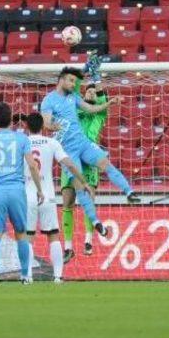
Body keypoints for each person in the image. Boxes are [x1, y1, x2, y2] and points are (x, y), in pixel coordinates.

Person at [40, 66, 141, 241]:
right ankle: (95, 222)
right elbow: (46, 123)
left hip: (84, 143)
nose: (73, 84)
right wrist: (53, 126)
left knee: (106, 164)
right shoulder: (48, 101)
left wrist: (109, 103)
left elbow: (90, 108)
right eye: (71, 80)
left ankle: (129, 192)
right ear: (61, 79)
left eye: (74, 81)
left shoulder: (74, 97)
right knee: (80, 188)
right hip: (66, 151)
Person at [0, 102, 43, 284]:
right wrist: (39, 189)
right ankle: (25, 275)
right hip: (17, 191)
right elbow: (32, 165)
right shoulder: (22, 139)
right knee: (21, 233)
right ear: (11, 118)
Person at [23, 112, 93, 283]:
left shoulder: (21, 143)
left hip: (27, 196)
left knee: (28, 237)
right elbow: (69, 163)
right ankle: (58, 276)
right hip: (47, 196)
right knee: (53, 235)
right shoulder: (52, 142)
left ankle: (28, 277)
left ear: (27, 127)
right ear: (42, 127)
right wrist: (83, 182)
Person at [61, 82, 108, 261]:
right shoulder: (74, 111)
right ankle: (68, 247)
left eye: (94, 92)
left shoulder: (100, 113)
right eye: (88, 91)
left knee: (88, 201)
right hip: (71, 158)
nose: (91, 93)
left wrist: (97, 79)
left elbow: (102, 98)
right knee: (68, 203)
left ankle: (88, 241)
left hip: (89, 160)